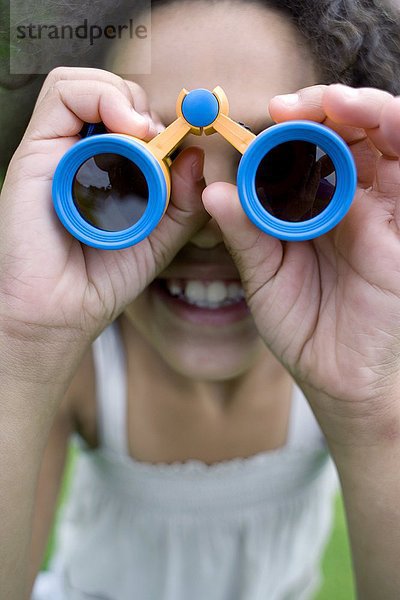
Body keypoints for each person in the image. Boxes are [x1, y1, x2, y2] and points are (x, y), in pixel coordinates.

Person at [1, 0, 400, 598]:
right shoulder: (79, 365)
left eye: (277, 168)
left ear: (350, 174)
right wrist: (22, 346)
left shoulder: (353, 358)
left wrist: (374, 411)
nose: (211, 220)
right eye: (134, 172)